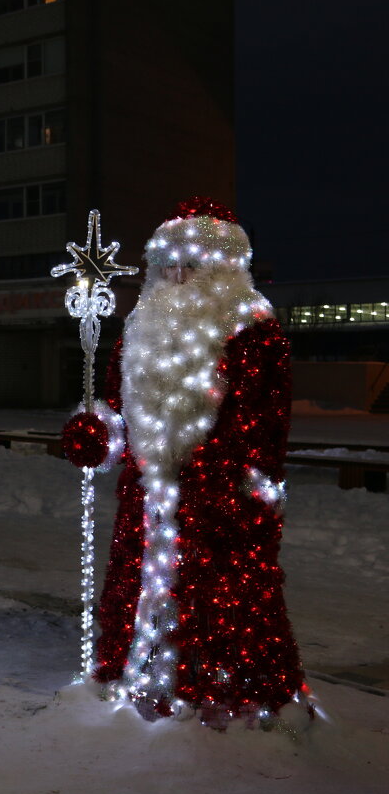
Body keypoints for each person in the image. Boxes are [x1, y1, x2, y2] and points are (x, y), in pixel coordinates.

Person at [62, 197, 309, 726]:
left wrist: (226, 477)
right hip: (148, 503)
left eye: (191, 263)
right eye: (168, 264)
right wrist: (97, 434)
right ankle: (133, 686)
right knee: (139, 598)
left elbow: (264, 426)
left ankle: (220, 709)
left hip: (221, 508)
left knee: (219, 615)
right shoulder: (138, 328)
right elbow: (116, 413)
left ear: (222, 267)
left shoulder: (253, 329)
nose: (177, 275)